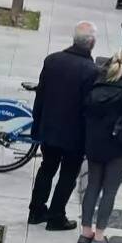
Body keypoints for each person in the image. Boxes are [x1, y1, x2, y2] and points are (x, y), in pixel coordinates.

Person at [27, 22, 97, 231]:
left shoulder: (52, 60)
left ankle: (36, 210)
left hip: (49, 127)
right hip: (74, 135)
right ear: (91, 43)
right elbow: (89, 107)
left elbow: (41, 95)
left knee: (46, 168)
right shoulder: (91, 71)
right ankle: (56, 215)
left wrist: (37, 124)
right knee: (68, 174)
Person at [79, 48, 122, 243]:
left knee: (92, 186)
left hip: (94, 142)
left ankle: (85, 232)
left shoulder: (99, 81)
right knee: (109, 191)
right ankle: (99, 236)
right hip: (118, 145)